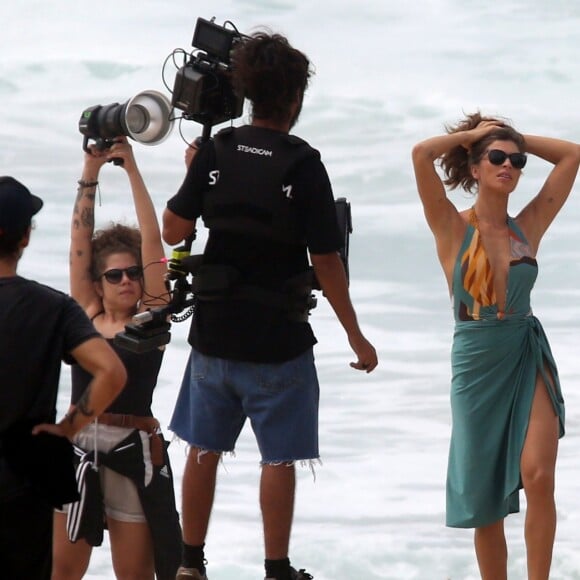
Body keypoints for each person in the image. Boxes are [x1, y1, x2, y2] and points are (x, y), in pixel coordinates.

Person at [163, 32, 378, 580]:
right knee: (277, 459)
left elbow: (173, 231)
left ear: (247, 93)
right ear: (295, 100)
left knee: (202, 451)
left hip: (214, 335)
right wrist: (355, 334)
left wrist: (194, 170)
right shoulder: (304, 164)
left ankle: (190, 563)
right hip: (279, 342)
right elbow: (327, 259)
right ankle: (276, 568)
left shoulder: (216, 150)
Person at [411, 112, 580, 579]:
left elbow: (572, 156)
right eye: (498, 157)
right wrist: (476, 135)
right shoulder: (451, 227)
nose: (509, 165)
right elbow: (421, 155)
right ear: (476, 167)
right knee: (485, 498)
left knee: (539, 476)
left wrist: (513, 136)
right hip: (476, 359)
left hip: (525, 352)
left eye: (517, 160)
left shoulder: (529, 225)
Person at [51, 138, 182, 580]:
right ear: (98, 283)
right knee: (62, 573)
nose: (126, 281)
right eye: (114, 275)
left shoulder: (149, 318)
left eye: (132, 274)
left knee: (135, 576)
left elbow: (153, 245)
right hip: (78, 452)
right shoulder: (86, 316)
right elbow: (79, 245)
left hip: (131, 454)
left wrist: (131, 171)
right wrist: (89, 172)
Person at [0, 176, 127, 580]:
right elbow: (111, 372)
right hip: (24, 476)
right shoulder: (52, 307)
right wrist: (68, 428)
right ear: (25, 238)